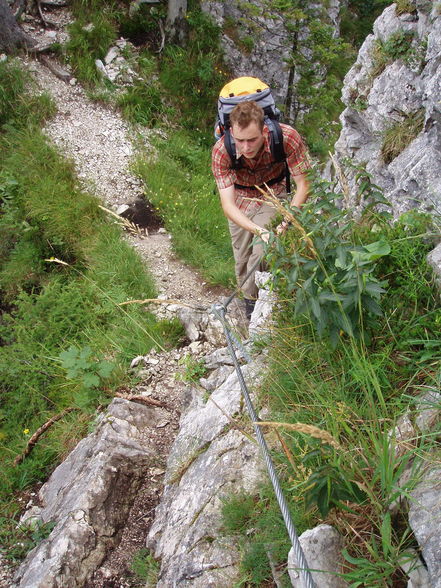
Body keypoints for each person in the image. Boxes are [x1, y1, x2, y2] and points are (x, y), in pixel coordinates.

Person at [212, 100, 311, 319]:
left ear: (264, 131)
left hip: (273, 193)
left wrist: (287, 219)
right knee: (242, 259)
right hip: (241, 200)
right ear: (230, 132)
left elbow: (304, 184)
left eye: (252, 140)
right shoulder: (221, 151)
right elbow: (228, 205)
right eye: (240, 140)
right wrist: (258, 230)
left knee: (261, 254)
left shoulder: (287, 137)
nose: (246, 147)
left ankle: (255, 314)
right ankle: (249, 302)